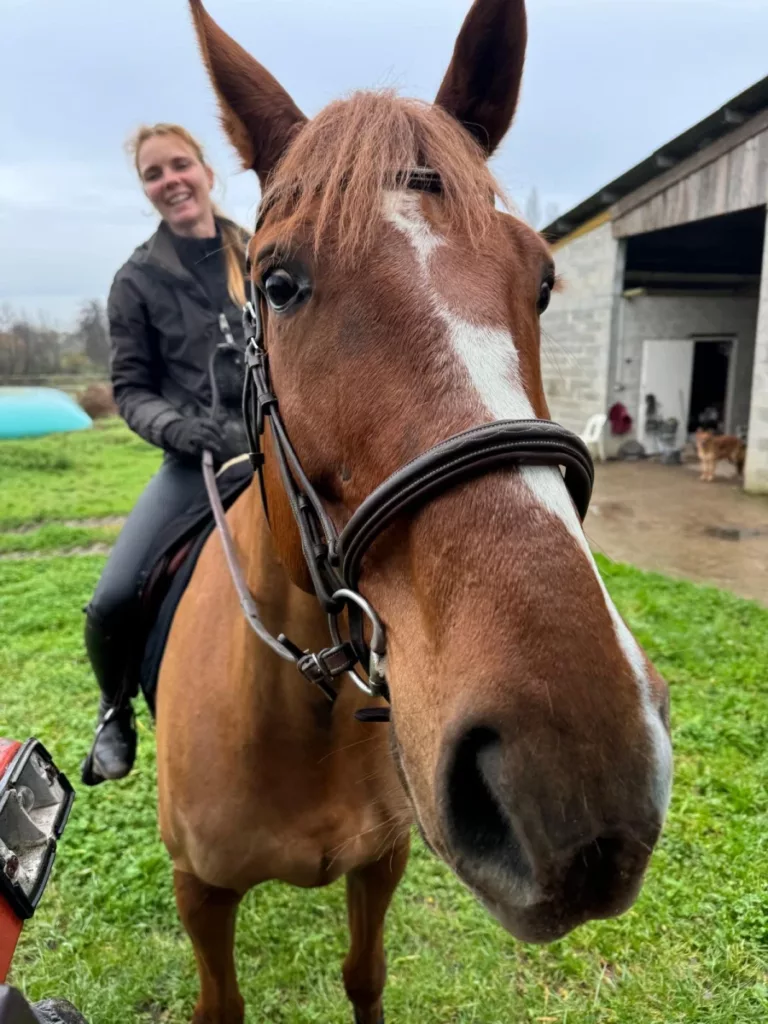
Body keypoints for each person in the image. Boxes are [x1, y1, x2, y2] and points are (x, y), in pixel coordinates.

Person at [81, 124, 250, 786]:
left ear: (206, 171)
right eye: (154, 174)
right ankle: (114, 711)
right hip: (196, 460)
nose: (170, 180)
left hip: (281, 451)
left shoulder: (260, 252)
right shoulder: (137, 280)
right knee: (112, 600)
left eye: (180, 165)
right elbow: (130, 390)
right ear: (146, 190)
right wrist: (182, 430)